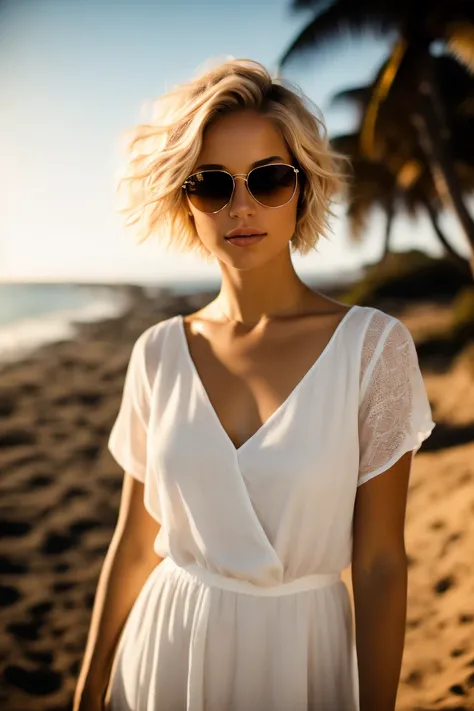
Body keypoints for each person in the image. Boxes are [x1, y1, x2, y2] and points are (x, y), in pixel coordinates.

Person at [73, 57, 436, 711]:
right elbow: (133, 544)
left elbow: (381, 562)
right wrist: (89, 687)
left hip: (303, 657)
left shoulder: (374, 349)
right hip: (165, 653)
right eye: (212, 184)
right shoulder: (157, 352)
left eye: (268, 179)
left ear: (303, 189)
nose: (240, 206)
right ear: (186, 201)